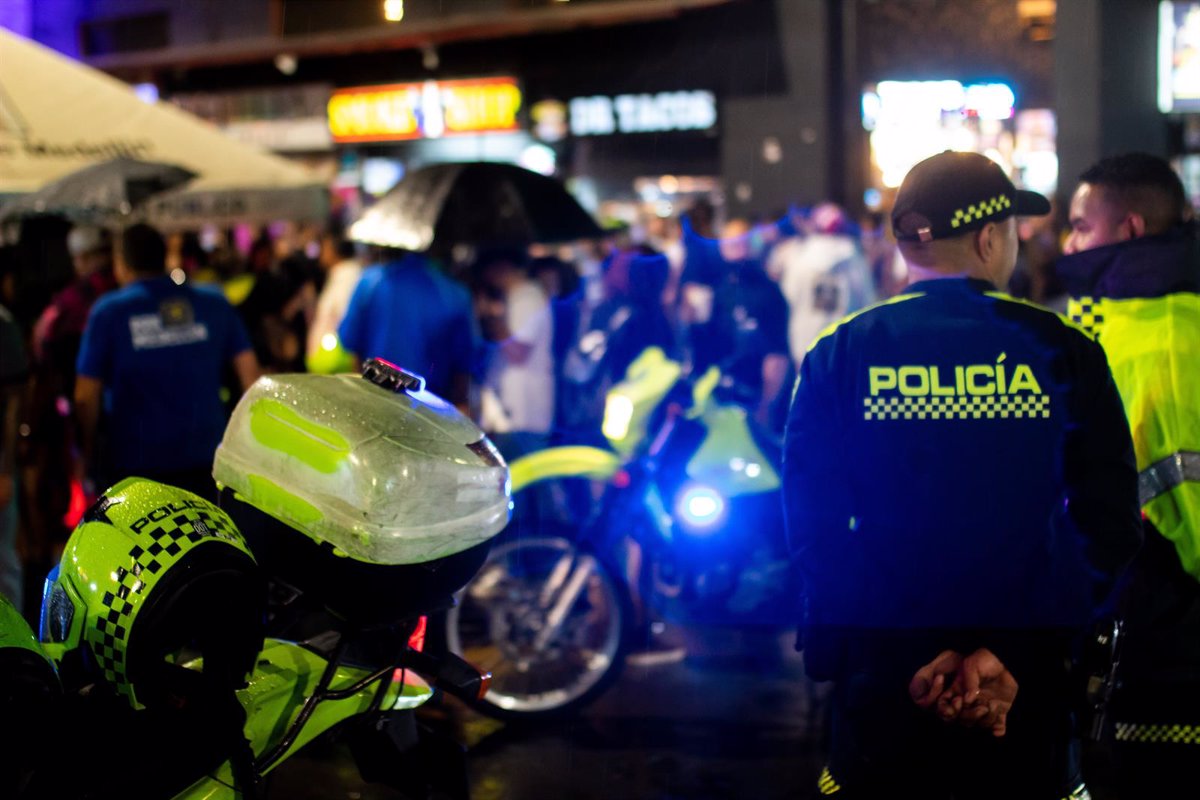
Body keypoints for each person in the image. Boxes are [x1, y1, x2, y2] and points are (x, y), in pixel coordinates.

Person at [784, 151, 1142, 799]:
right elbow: (1108, 522)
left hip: (885, 688)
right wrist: (1008, 654)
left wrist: (907, 657)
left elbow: (815, 528)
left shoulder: (841, 352)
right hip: (1025, 689)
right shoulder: (1064, 348)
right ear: (988, 238)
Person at [1058, 152, 1200, 797]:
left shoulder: (1153, 337)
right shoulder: (1119, 316)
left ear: (1131, 228)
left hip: (1166, 638)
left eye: (1081, 226)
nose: (1069, 244)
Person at [74, 223, 261, 500]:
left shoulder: (109, 312)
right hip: (209, 458)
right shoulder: (213, 302)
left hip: (136, 468)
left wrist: (86, 452)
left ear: (121, 263)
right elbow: (250, 378)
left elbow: (85, 396)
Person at [337, 246, 474, 413]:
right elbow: (463, 374)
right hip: (431, 415)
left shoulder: (370, 282)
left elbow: (353, 348)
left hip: (372, 405)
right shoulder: (455, 294)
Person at [475, 248, 555, 451]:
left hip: (522, 414)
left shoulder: (528, 298)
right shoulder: (516, 298)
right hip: (514, 414)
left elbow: (517, 352)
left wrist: (491, 316)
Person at [0, 303, 27, 614]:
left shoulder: (3, 323)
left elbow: (14, 398)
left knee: (3, 562)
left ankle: (12, 637)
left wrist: (6, 472)